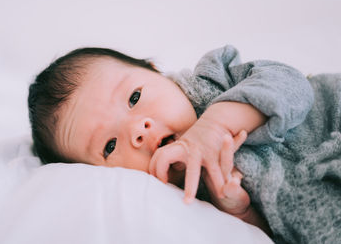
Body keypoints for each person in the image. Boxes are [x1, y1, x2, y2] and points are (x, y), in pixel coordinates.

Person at [28, 45, 341, 243]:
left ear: (157, 72)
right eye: (109, 146)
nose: (138, 130)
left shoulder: (216, 79)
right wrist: (241, 213)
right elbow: (278, 232)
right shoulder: (192, 197)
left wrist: (215, 125)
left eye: (134, 98)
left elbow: (292, 86)